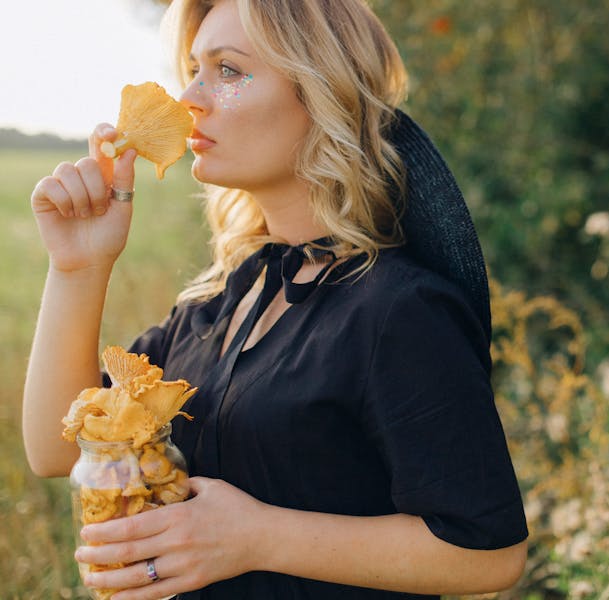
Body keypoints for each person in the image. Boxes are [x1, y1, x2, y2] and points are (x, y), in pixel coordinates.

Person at [21, 0, 529, 598]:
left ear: (321, 94)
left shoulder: (397, 310)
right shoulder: (218, 304)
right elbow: (58, 450)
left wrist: (257, 537)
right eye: (194, 68)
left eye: (228, 71)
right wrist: (78, 267)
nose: (189, 99)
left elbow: (489, 554)